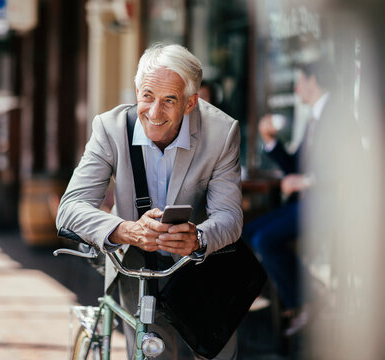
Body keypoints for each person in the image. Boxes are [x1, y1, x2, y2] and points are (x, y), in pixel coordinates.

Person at [56, 44, 243, 359]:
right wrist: (126, 230)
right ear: (136, 91)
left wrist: (197, 237)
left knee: (217, 354)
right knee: (151, 353)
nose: (154, 113)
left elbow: (229, 217)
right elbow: (70, 208)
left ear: (190, 103)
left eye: (169, 100)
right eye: (147, 96)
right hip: (136, 264)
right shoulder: (109, 128)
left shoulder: (222, 132)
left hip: (201, 264)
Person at [243, 60, 340, 337]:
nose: (297, 87)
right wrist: (270, 140)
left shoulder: (336, 115)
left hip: (328, 205)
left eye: (300, 81)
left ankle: (305, 299)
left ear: (313, 81)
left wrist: (307, 181)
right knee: (249, 231)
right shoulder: (314, 118)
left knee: (264, 239)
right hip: (306, 203)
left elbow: (349, 167)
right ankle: (272, 295)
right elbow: (295, 167)